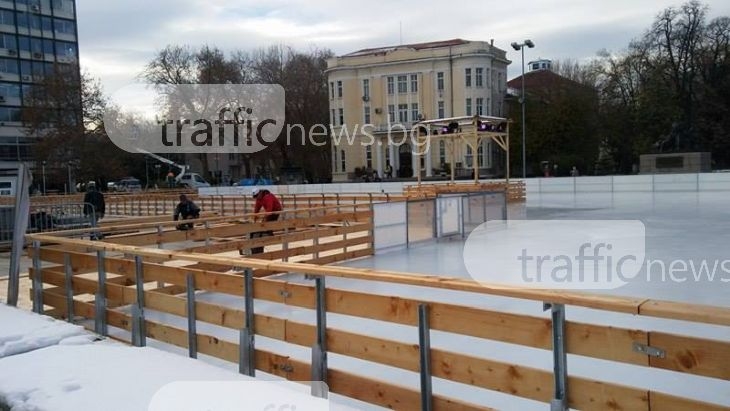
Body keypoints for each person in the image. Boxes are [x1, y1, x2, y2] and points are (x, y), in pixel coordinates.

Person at [246, 187, 282, 254]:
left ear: (259, 193)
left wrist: (265, 217)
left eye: (256, 196)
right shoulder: (259, 198)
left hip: (276, 210)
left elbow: (269, 208)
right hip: (269, 210)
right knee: (265, 223)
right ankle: (268, 234)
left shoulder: (268, 197)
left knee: (268, 223)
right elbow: (257, 208)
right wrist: (255, 216)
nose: (256, 198)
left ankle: (270, 236)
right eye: (255, 197)